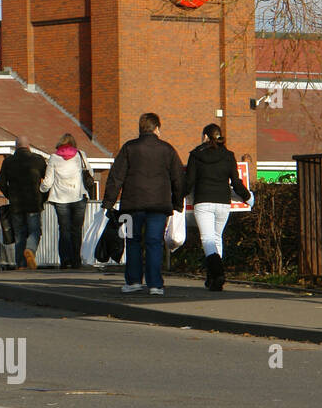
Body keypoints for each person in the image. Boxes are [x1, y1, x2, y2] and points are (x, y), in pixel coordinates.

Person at [102, 113, 185, 296]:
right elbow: (178, 178)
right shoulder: (167, 150)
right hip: (159, 206)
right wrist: (178, 203)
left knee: (132, 241)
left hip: (132, 206)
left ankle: (133, 282)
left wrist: (108, 202)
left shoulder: (129, 148)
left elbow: (116, 177)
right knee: (154, 242)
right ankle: (155, 284)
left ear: (141, 129)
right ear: (157, 128)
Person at [186, 123, 251, 291]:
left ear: (206, 137)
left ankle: (217, 273)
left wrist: (176, 198)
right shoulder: (229, 156)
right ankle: (214, 278)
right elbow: (236, 183)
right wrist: (247, 196)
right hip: (223, 202)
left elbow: (189, 182)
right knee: (216, 238)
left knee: (207, 239)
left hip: (203, 201)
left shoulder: (195, 155)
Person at [41, 132, 92, 269]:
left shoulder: (54, 158)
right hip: (78, 197)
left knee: (64, 230)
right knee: (76, 230)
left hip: (60, 198)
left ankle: (65, 260)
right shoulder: (80, 155)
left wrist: (41, 190)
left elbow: (48, 181)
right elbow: (90, 173)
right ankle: (76, 260)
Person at [0, 136, 47, 269]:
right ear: (28, 146)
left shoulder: (8, 161)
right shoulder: (37, 160)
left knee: (19, 234)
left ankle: (21, 265)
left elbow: (1, 183)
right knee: (35, 231)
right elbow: (48, 180)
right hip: (34, 203)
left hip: (16, 204)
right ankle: (30, 250)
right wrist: (43, 197)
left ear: (16, 146)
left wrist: (10, 195)